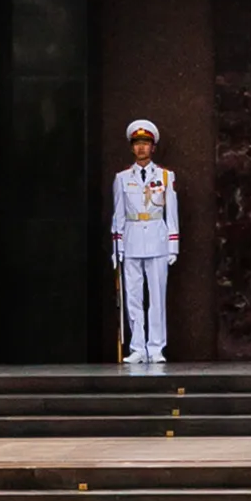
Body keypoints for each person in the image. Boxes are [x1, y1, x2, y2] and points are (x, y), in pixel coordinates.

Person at [106, 119, 178, 371]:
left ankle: (156, 347)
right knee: (133, 297)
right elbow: (118, 214)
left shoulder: (165, 176)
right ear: (131, 147)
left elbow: (172, 213)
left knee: (157, 297)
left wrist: (173, 245)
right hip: (132, 239)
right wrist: (117, 247)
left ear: (153, 147)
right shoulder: (122, 178)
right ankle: (137, 347)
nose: (141, 148)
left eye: (145, 143)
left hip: (157, 239)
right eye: (137, 143)